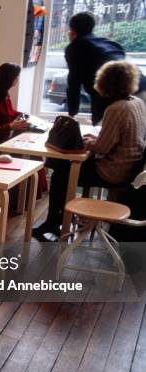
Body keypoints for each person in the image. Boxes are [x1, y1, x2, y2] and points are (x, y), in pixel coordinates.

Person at [33, 60, 146, 242]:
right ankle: (61, 220)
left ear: (105, 83)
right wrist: (94, 140)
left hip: (113, 171)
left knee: (61, 174)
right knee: (63, 166)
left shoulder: (116, 109)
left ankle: (53, 223)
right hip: (130, 167)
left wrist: (87, 141)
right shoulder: (137, 103)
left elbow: (102, 147)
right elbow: (117, 139)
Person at [0, 63, 48, 198]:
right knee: (30, 157)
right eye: (16, 77)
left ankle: (29, 197)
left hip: (6, 141)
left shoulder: (4, 95)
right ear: (10, 80)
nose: (17, 80)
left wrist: (24, 116)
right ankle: (20, 199)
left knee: (34, 156)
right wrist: (11, 126)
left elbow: (9, 112)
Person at [64, 12, 146, 125]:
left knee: (103, 136)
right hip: (140, 88)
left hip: (117, 95)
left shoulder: (75, 47)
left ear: (72, 29)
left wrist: (72, 114)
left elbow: (73, 82)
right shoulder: (110, 43)